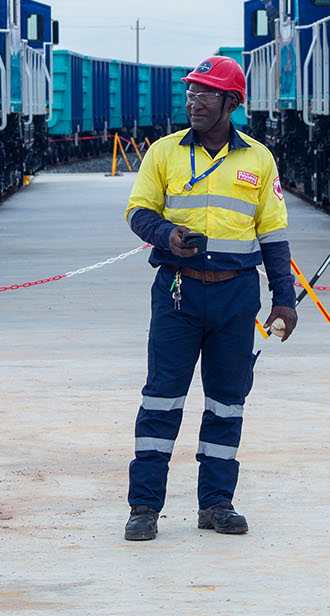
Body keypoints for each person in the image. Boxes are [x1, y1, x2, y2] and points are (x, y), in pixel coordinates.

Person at [120, 55, 298, 541]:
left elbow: (274, 235)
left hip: (236, 296)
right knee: (161, 398)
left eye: (205, 93)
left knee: (227, 401)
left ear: (231, 102)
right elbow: (138, 212)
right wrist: (165, 235)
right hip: (177, 292)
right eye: (191, 92)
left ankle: (217, 504)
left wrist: (285, 297)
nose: (193, 101)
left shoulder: (258, 159)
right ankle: (144, 507)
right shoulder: (164, 152)